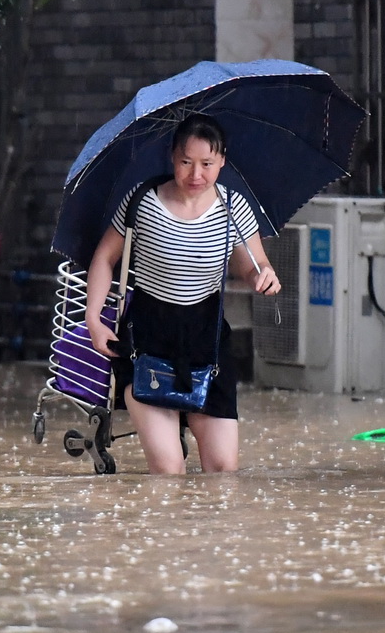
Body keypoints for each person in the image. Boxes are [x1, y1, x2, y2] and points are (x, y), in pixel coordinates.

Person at [85, 114, 281, 475]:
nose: (196, 175)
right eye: (186, 162)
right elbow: (104, 256)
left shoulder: (233, 208)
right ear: (172, 157)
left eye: (207, 164)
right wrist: (93, 319)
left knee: (223, 473)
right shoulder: (142, 200)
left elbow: (252, 265)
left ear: (222, 160)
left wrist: (263, 275)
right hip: (147, 339)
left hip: (207, 342)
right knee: (169, 472)